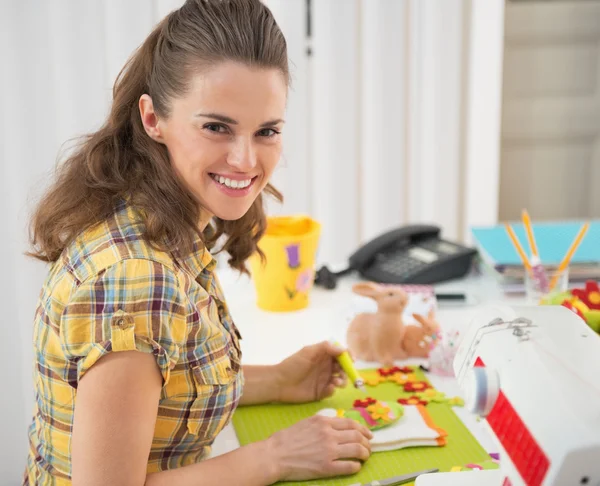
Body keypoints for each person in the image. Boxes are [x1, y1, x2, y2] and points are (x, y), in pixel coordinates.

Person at [22, 1, 373, 485]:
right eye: (216, 127)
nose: (246, 159)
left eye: (266, 131)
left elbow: (166, 383)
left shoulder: (162, 220)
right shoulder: (135, 278)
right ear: (152, 119)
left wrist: (277, 380)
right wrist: (275, 456)